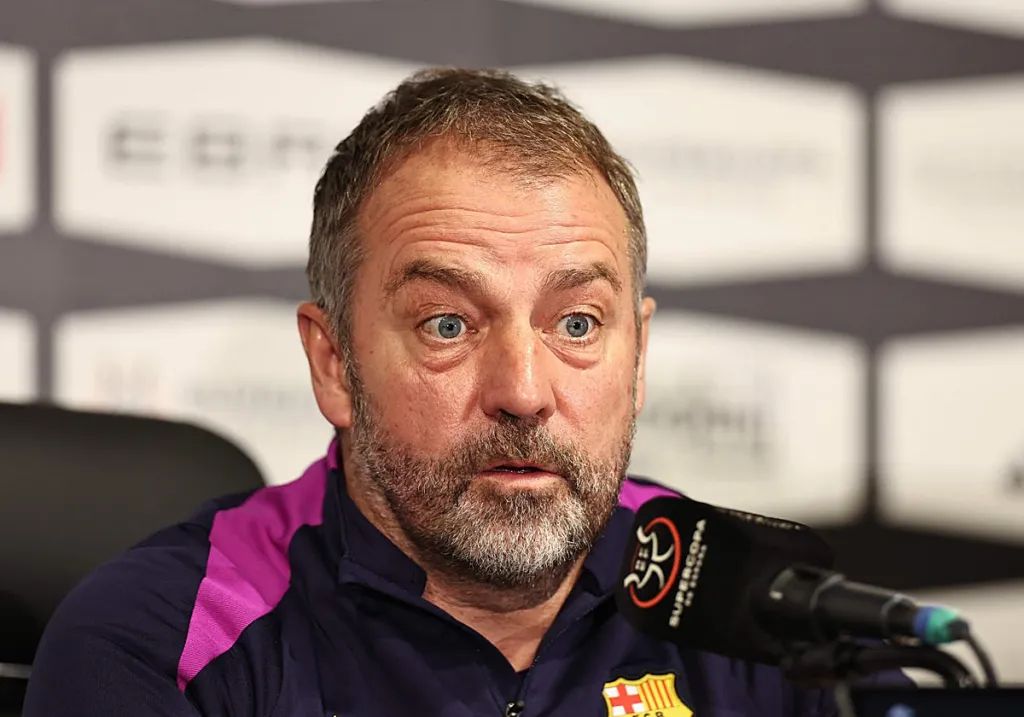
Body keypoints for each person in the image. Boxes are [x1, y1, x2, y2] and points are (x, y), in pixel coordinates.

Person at [26, 68, 863, 716]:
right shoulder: (160, 640)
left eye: (576, 323)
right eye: (448, 324)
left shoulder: (754, 606)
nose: (524, 392)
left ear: (637, 358)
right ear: (334, 363)